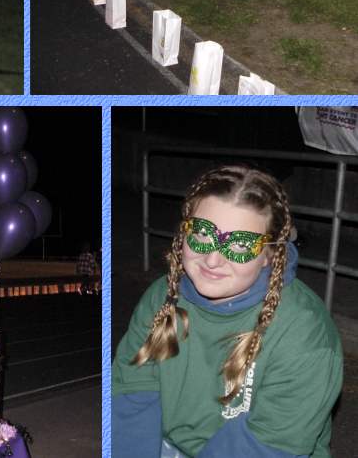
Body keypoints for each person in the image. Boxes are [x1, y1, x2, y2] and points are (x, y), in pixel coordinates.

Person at [112, 165, 343, 458]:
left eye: (241, 244)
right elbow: (132, 395)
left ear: (270, 255)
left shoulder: (305, 334)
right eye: (202, 233)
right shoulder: (161, 295)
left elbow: (270, 445)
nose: (212, 259)